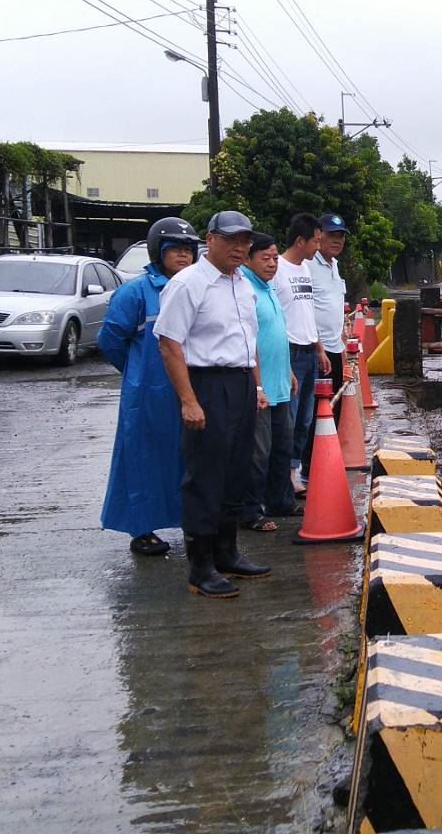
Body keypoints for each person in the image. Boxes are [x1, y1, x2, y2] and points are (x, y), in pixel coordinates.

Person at [154, 210, 271, 599]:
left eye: (245, 241)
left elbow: (247, 340)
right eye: (231, 240)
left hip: (239, 383)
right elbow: (170, 343)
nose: (240, 248)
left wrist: (255, 388)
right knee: (205, 476)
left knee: (237, 472)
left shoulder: (243, 284)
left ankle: (227, 553)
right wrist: (189, 400)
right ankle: (200, 568)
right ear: (210, 239)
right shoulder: (189, 284)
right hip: (206, 383)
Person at [98, 217, 200, 556]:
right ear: (159, 252)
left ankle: (191, 522)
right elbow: (110, 340)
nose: (184, 257)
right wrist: (136, 372)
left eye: (188, 250)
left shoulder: (195, 288)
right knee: (141, 460)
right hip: (147, 394)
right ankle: (141, 530)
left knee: (186, 460)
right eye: (176, 250)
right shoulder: (136, 292)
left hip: (188, 390)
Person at [239, 232, 298, 532]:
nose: (273, 263)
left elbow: (276, 334)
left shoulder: (269, 288)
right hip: (259, 388)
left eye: (275, 258)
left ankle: (280, 501)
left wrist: (288, 371)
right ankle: (250, 511)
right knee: (257, 452)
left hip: (279, 383)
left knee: (281, 447)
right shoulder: (245, 288)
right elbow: (249, 343)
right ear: (249, 259)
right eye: (265, 258)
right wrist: (258, 386)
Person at [276, 213, 327, 494]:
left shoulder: (305, 270)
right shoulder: (278, 270)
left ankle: (295, 472)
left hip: (310, 352)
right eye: (315, 242)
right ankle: (283, 477)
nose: (318, 247)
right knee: (290, 418)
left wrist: (319, 348)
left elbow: (308, 312)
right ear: (300, 241)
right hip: (291, 354)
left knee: (306, 419)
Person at [309, 214, 351, 386]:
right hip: (317, 350)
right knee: (319, 408)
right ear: (319, 236)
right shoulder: (308, 265)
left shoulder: (334, 264)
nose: (337, 241)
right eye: (331, 235)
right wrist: (318, 349)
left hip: (335, 348)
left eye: (340, 236)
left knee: (334, 407)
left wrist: (342, 347)